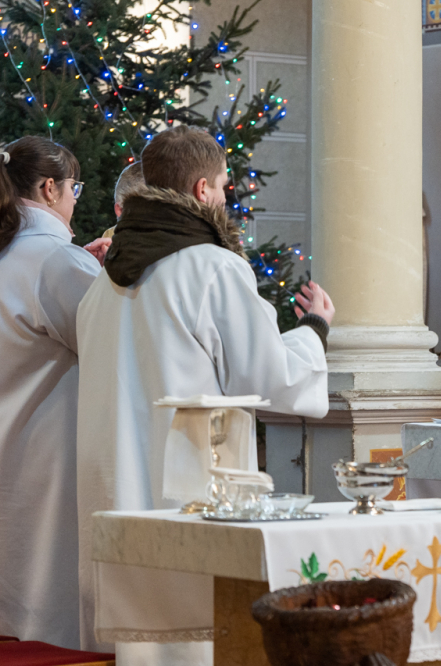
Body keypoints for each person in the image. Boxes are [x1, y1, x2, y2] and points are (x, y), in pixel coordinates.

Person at [75, 125, 332, 664]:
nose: (223, 196)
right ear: (201, 190)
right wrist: (314, 331)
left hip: (118, 485)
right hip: (186, 490)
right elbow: (267, 379)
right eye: (222, 185)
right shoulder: (213, 267)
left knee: (130, 641)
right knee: (188, 640)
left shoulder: (104, 280)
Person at [0, 136, 99, 649]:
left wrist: (89, 270)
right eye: (74, 188)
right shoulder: (54, 260)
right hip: (46, 458)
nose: (75, 199)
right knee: (56, 612)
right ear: (50, 187)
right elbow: (109, 342)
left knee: (7, 613)